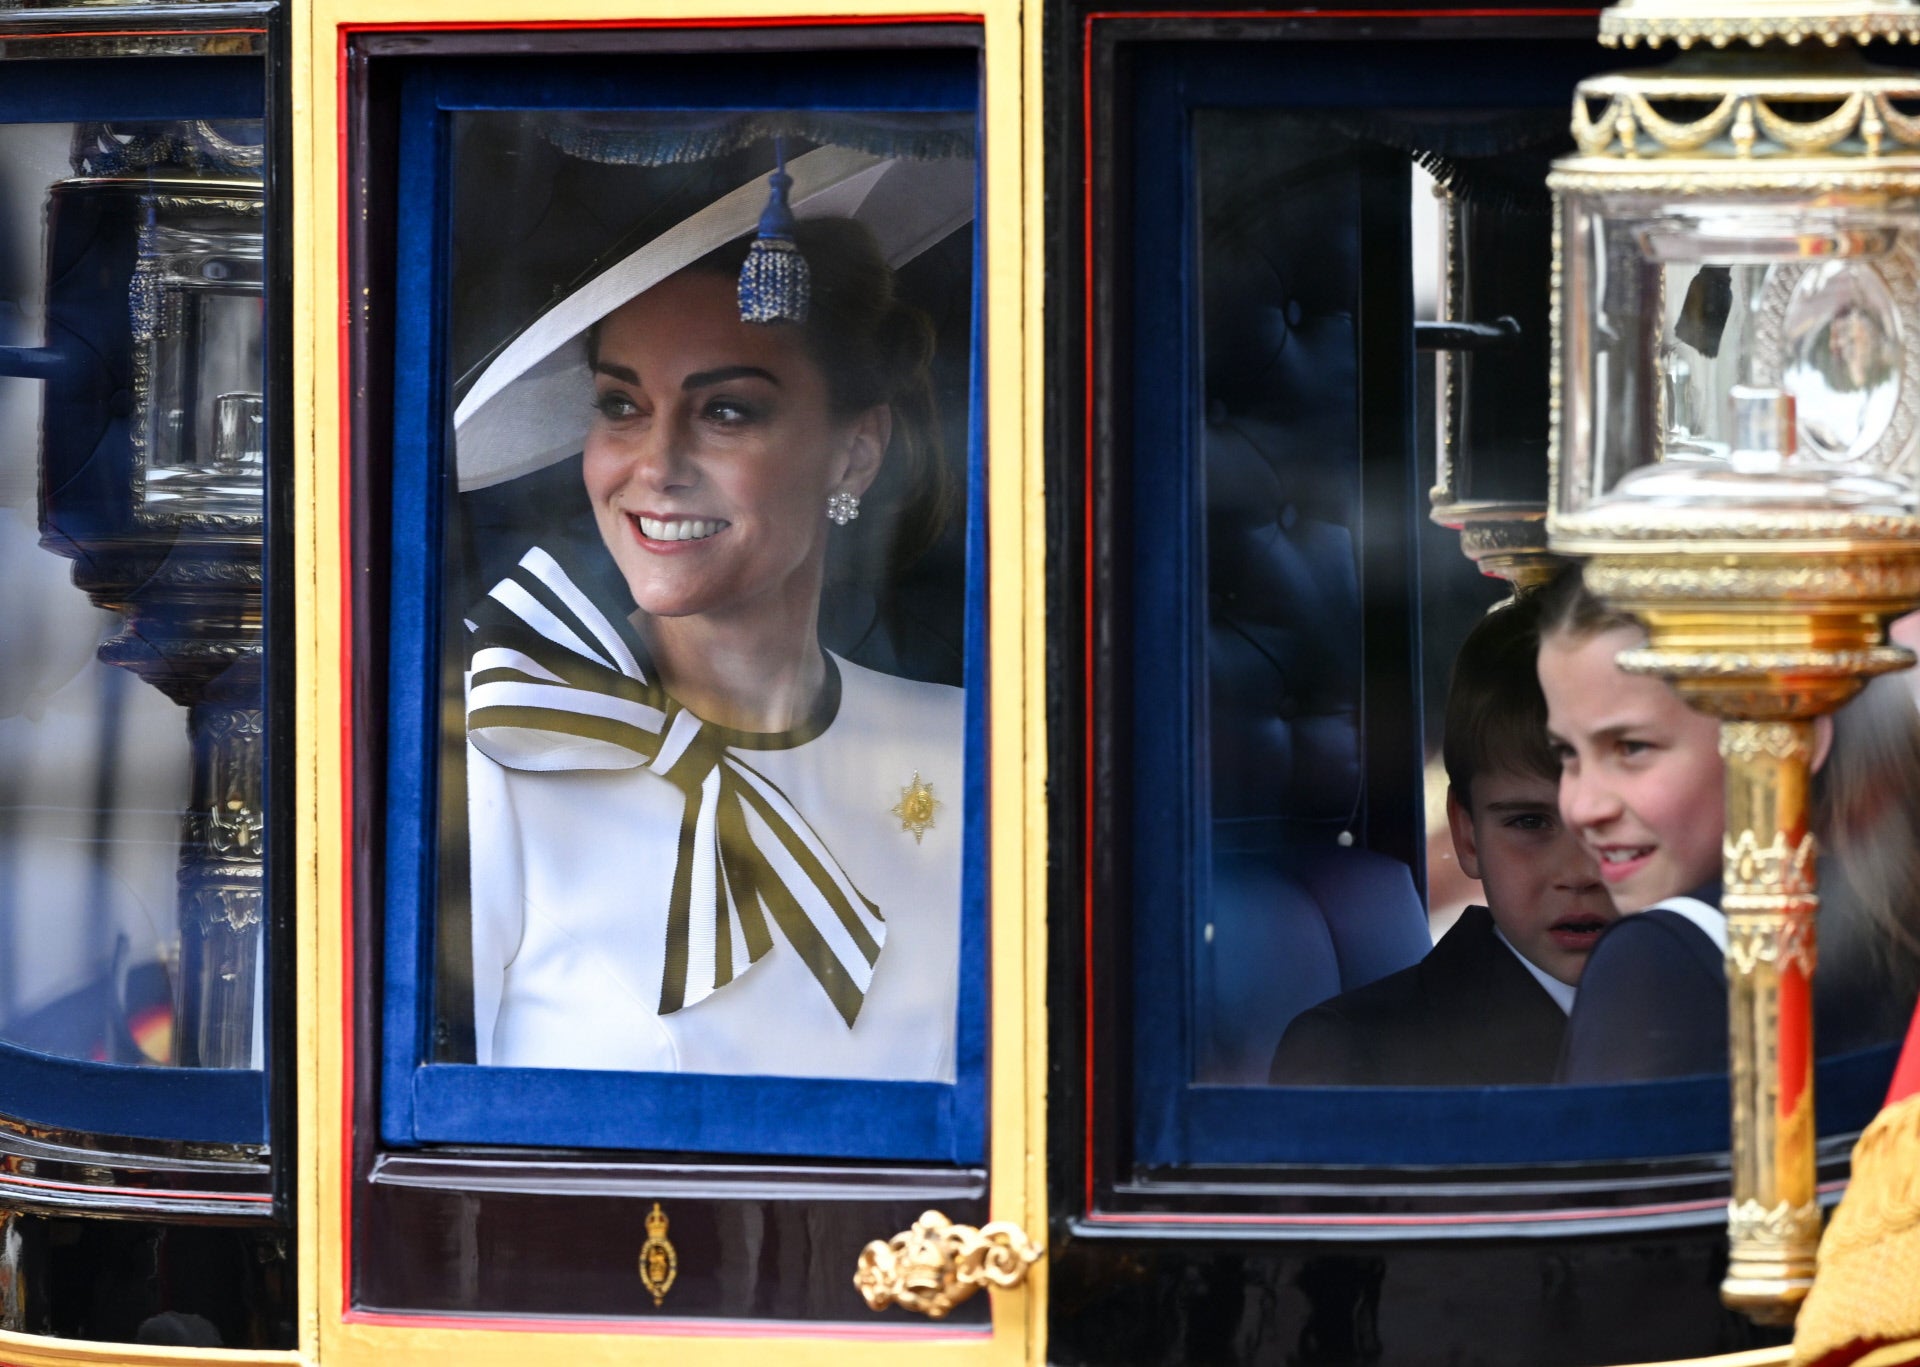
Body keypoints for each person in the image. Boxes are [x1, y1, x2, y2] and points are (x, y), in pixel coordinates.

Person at [457, 183, 970, 1081]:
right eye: (622, 406)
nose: (655, 466)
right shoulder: (495, 744)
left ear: (855, 448)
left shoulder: (970, 752)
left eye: (726, 410)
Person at [1538, 565, 1920, 1083]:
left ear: (1782, 731)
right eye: (1567, 753)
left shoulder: (1660, 959)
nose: (1583, 807)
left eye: (1632, 748)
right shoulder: (1893, 921)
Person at [1268, 591, 1617, 1086]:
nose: (1580, 873)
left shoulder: (1725, 1014)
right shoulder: (1356, 1058)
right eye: (1530, 823)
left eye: (1608, 821)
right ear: (1468, 835)